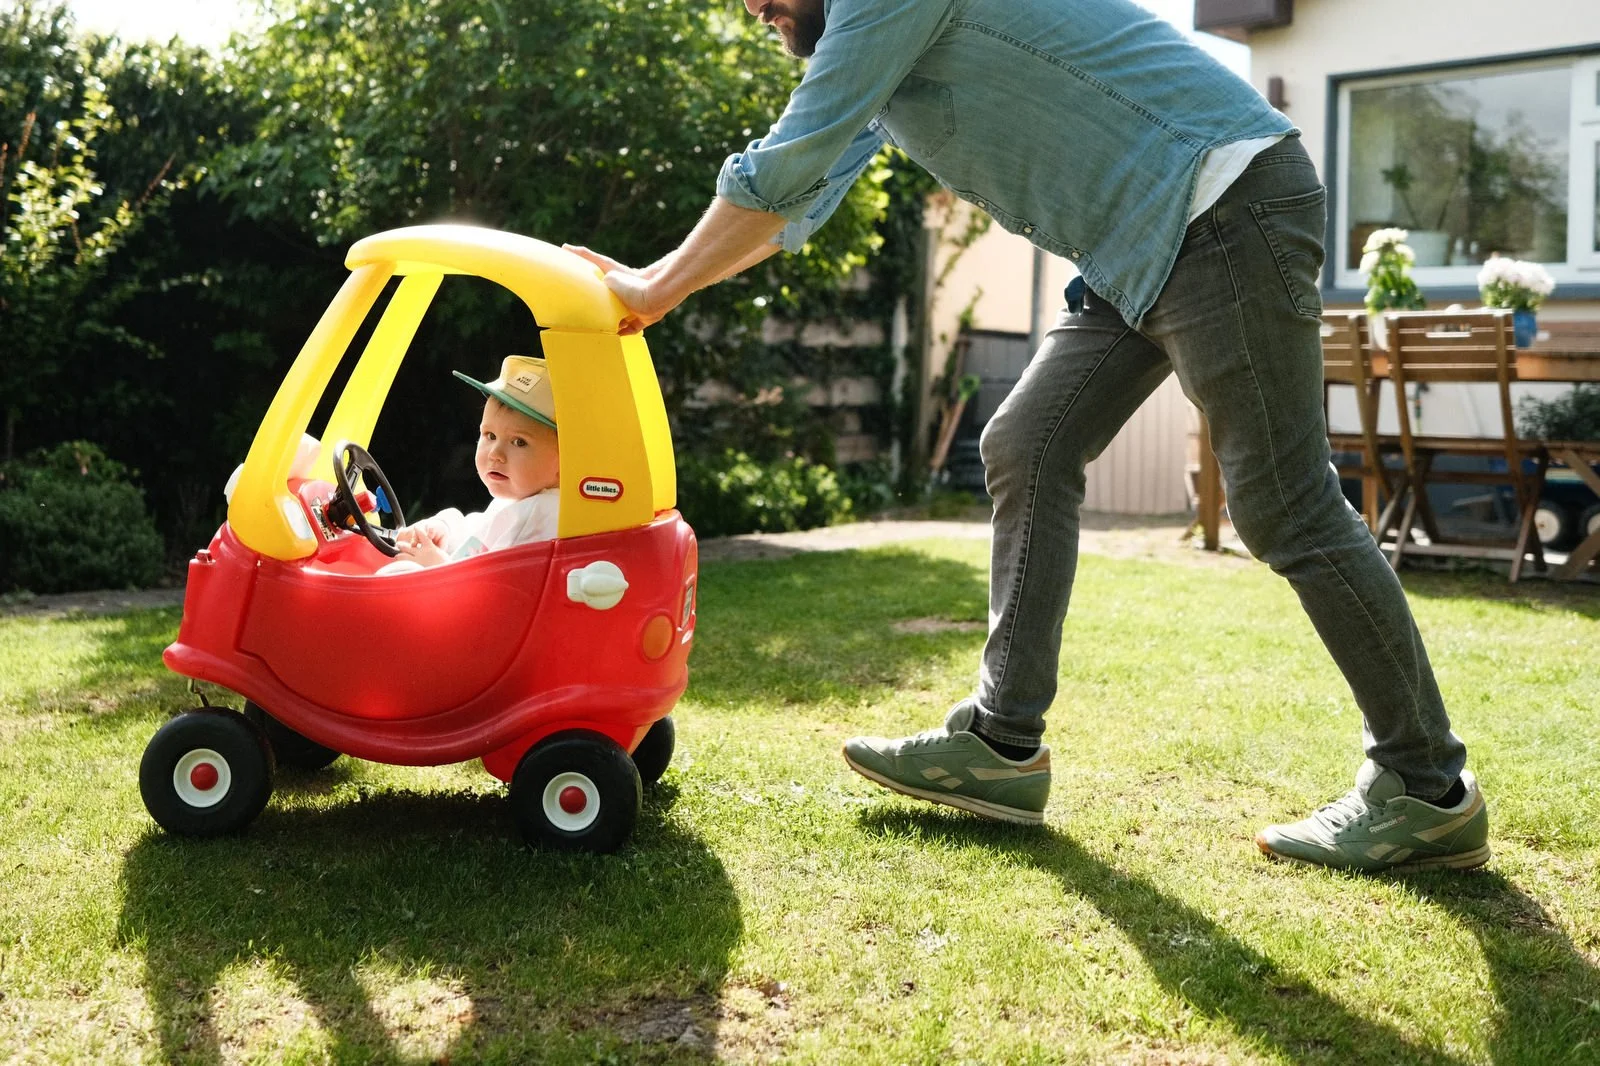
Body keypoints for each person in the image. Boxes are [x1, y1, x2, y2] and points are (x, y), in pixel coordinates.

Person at [563, 0, 1489, 873]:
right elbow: (799, 203)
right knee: (1027, 445)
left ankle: (1425, 785)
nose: (753, 9)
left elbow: (787, 164)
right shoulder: (877, 53)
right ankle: (1000, 744)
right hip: (1141, 244)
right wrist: (661, 286)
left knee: (1285, 504)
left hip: (1219, 204)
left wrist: (656, 288)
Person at [387, 355, 561, 569]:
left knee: (397, 570)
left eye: (519, 442)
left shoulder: (540, 516)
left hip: (459, 593)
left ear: (567, 463)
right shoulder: (521, 501)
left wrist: (438, 566)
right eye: (490, 436)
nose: (495, 454)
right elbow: (478, 535)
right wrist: (445, 529)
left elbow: (493, 590)